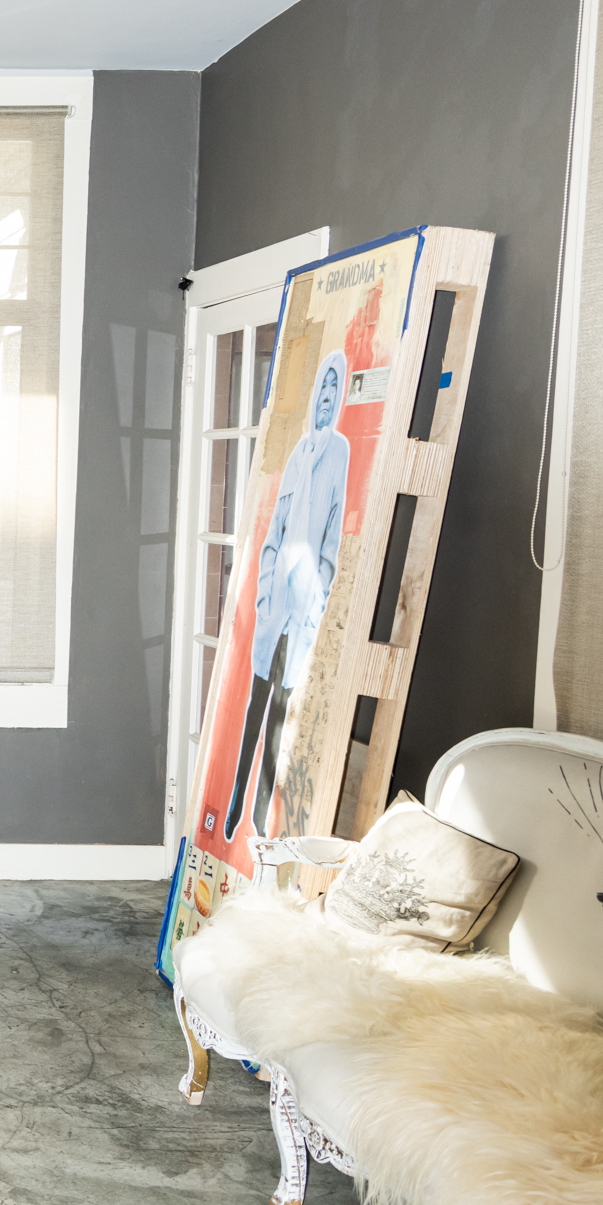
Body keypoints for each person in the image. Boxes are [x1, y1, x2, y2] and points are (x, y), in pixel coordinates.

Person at [224, 352, 349, 840]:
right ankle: (233, 806)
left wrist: (315, 603)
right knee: (255, 710)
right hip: (275, 609)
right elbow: (274, 529)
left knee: (279, 718)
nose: (323, 400)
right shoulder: (298, 453)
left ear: (337, 402)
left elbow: (332, 538)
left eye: (331, 393)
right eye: (321, 390)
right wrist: (264, 596)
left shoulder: (339, 454)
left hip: (302, 614)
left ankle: (259, 815)